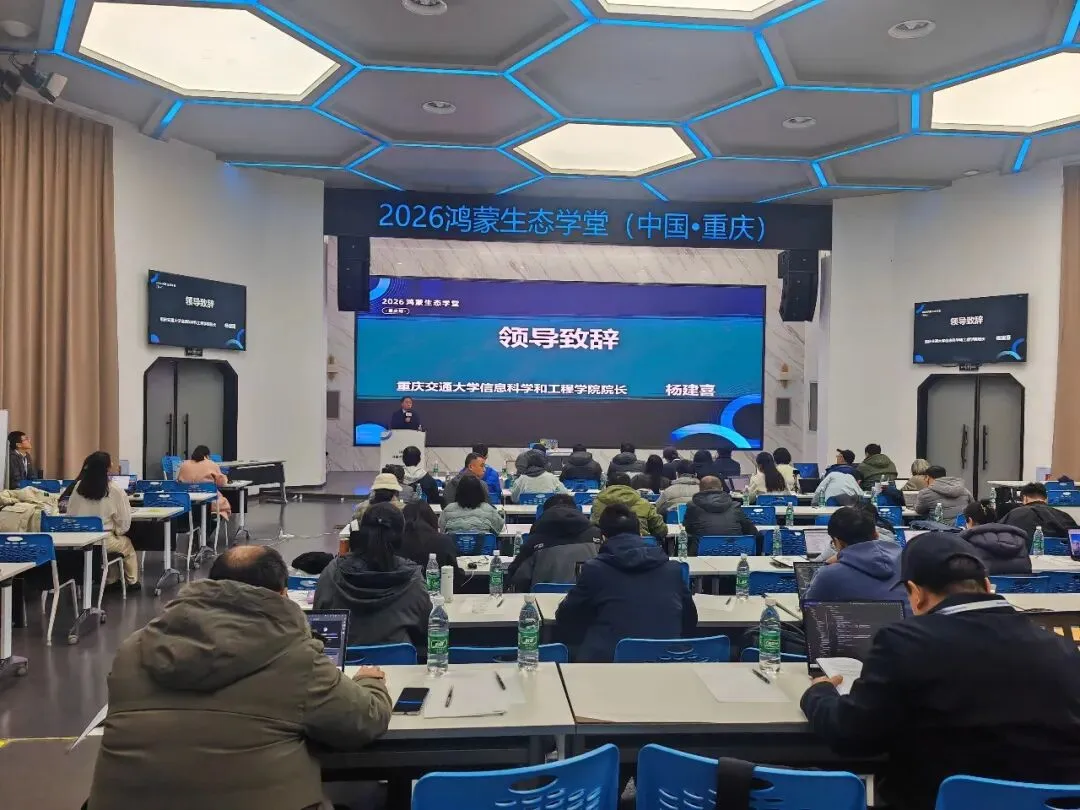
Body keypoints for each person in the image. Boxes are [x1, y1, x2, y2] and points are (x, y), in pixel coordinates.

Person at [87, 545, 391, 810]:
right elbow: (365, 719)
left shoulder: (133, 650)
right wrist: (370, 682)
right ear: (282, 595)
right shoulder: (296, 656)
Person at [801, 532, 1080, 810]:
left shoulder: (904, 643)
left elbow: (851, 735)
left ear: (916, 593)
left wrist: (819, 693)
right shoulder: (1062, 648)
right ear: (987, 585)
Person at [555, 503, 697, 662]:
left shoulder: (595, 570)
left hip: (606, 664)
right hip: (666, 660)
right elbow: (689, 620)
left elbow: (566, 617)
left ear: (603, 537)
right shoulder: (672, 569)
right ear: (640, 533)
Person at [315, 502, 429, 647]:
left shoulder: (332, 573)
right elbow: (426, 629)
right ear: (401, 537)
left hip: (343, 660)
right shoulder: (413, 579)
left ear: (360, 533)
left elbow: (317, 622)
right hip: (396, 660)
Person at [802, 506, 906, 610]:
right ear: (876, 535)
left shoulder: (829, 575)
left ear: (837, 542)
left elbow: (808, 608)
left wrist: (826, 565)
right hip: (906, 620)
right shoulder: (907, 561)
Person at [64, 451, 140, 591]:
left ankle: (112, 579)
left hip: (78, 540)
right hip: (103, 540)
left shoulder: (78, 487)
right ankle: (132, 581)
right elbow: (124, 523)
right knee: (126, 544)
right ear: (107, 468)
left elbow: (70, 514)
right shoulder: (115, 490)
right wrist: (117, 532)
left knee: (114, 545)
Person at [507, 493, 600, 591]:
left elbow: (518, 578)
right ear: (576, 510)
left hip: (542, 599)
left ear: (545, 513)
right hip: (589, 597)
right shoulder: (597, 536)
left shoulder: (535, 541)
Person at [682, 476, 759, 555]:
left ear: (700, 489)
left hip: (701, 554)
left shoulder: (693, 506)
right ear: (721, 488)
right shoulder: (735, 506)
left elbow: (689, 529)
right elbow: (751, 531)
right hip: (734, 553)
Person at [399, 500, 461, 588]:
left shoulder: (395, 542)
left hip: (402, 592)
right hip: (437, 591)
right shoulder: (444, 541)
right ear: (431, 517)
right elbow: (456, 576)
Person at [961, 500, 1032, 575]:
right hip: (1021, 582)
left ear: (970, 520)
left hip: (984, 582)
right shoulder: (1018, 537)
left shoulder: (965, 542)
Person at [590, 472, 667, 541]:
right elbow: (661, 530)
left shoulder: (598, 503)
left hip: (606, 546)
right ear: (630, 486)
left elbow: (594, 526)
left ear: (607, 486)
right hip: (640, 546)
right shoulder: (644, 503)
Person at [1002, 482, 1079, 542]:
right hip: (1062, 556)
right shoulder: (1064, 516)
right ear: (1046, 499)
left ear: (1025, 498)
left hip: (1022, 554)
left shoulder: (1014, 513)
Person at [438, 474, 504, 536]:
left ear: (458, 491)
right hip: (482, 544)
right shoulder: (489, 509)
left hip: (454, 545)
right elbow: (499, 528)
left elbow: (442, 530)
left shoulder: (448, 509)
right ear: (480, 491)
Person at [176, 445, 232, 519]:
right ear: (207, 455)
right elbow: (221, 483)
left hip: (187, 502)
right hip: (210, 503)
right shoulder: (211, 464)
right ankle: (215, 517)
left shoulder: (184, 464)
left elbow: (179, 481)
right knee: (223, 504)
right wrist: (225, 479)